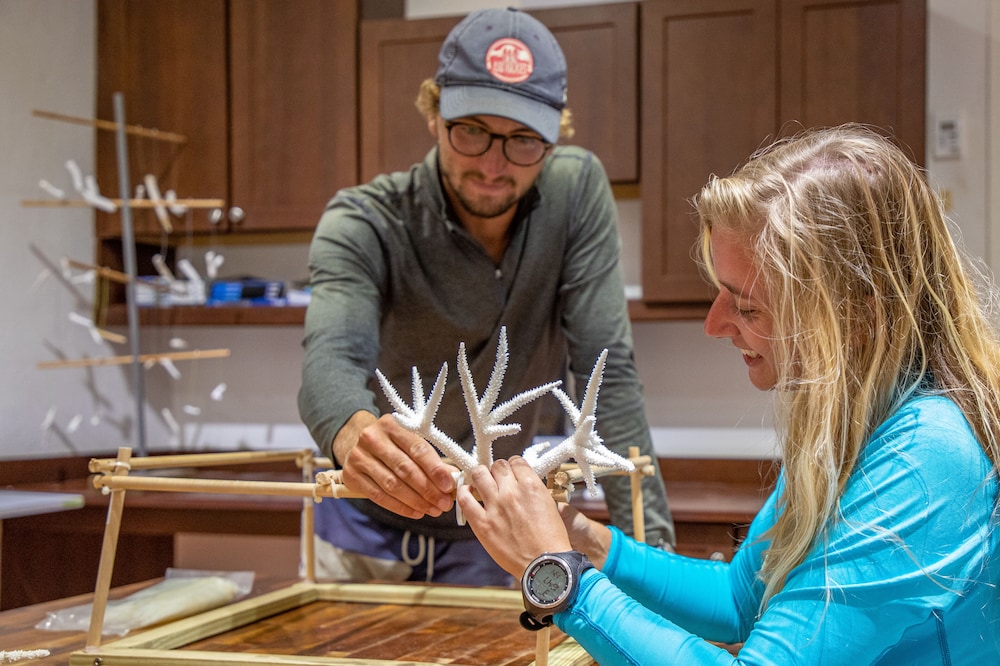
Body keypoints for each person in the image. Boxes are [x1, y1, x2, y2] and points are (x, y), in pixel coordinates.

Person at [460, 124, 1000, 662]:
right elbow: (739, 600)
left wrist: (559, 575)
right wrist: (584, 541)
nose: (714, 325)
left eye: (746, 306)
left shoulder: (925, 457)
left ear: (856, 317)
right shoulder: (853, 424)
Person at [297, 6, 674, 587]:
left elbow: (608, 374)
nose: (494, 165)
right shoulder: (365, 220)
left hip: (493, 528)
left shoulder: (574, 194)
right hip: (362, 529)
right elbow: (330, 360)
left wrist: (658, 569)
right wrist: (351, 432)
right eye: (472, 130)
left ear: (553, 137)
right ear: (434, 114)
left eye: (523, 140)